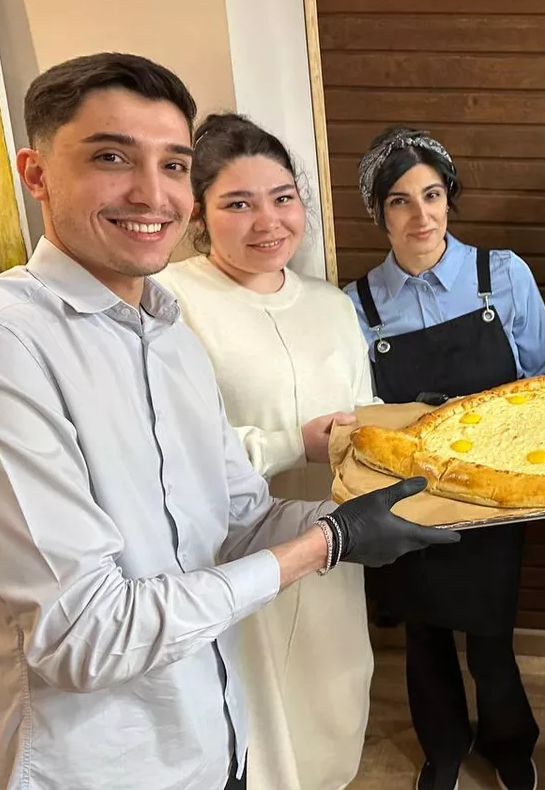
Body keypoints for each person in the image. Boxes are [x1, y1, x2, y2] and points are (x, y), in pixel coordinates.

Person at [0, 53, 457, 790]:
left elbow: (235, 518)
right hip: (86, 767)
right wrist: (327, 542)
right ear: (36, 174)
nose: (151, 192)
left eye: (172, 165)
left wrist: (371, 515)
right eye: (111, 157)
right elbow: (83, 635)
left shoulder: (167, 335)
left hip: (210, 735)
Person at [156, 112, 375, 790]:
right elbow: (169, 448)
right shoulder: (171, 301)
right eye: (238, 204)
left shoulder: (331, 304)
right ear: (198, 211)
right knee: (255, 728)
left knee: (333, 700)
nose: (268, 221)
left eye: (282, 198)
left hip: (332, 540)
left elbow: (366, 412)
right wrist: (292, 442)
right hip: (230, 558)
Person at [343, 126, 545, 790]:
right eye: (400, 200)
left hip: (493, 488)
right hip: (409, 494)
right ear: (378, 212)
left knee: (492, 634)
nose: (421, 215)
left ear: (449, 197)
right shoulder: (357, 305)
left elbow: (540, 377)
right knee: (424, 633)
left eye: (432, 195)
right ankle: (441, 748)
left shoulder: (502, 275)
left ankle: (509, 742)